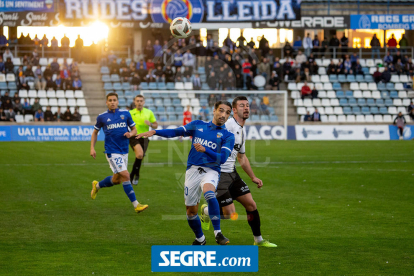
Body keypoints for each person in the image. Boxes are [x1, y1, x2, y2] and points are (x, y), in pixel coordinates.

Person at [136, 101, 235, 245]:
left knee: (209, 193)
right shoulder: (197, 125)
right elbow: (176, 132)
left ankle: (218, 233)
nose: (223, 115)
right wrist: (155, 131)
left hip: (211, 170)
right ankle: (200, 239)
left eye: (227, 113)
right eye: (221, 110)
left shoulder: (228, 136)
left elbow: (223, 159)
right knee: (191, 212)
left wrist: (205, 150)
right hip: (193, 171)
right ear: (213, 110)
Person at [200, 96, 276, 247]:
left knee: (251, 205)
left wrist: (253, 177)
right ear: (234, 110)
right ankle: (207, 212)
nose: (246, 108)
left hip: (232, 173)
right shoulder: (227, 125)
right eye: (242, 106)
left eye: (247, 105)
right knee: (229, 214)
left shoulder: (241, 130)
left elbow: (241, 157)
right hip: (219, 174)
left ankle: (258, 240)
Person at [90, 93, 147, 213]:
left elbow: (134, 129)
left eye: (114, 100)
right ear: (106, 102)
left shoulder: (125, 114)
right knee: (126, 175)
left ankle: (97, 186)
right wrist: (92, 148)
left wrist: (130, 134)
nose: (112, 102)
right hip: (112, 151)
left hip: (124, 151)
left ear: (117, 101)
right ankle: (136, 205)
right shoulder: (102, 117)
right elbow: (95, 132)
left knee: (117, 179)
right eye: (110, 100)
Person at [128, 95, 158, 185]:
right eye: (137, 101)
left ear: (144, 102)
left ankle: (134, 175)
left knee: (139, 157)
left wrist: (151, 124)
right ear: (135, 102)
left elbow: (156, 125)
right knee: (140, 154)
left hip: (145, 138)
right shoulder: (130, 113)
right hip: (134, 137)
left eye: (141, 101)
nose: (139, 102)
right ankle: (134, 176)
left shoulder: (149, 112)